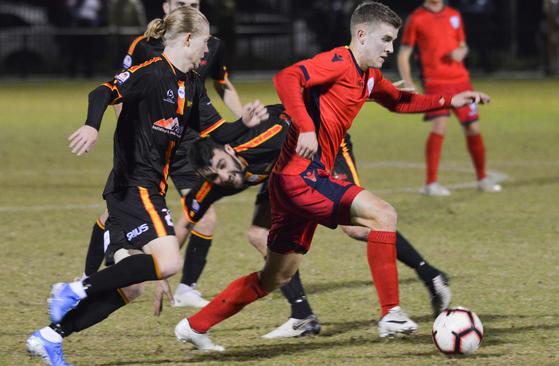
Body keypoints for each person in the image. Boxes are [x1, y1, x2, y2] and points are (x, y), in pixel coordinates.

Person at [173, 1, 489, 350]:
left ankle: (195, 325)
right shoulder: (339, 61)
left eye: (393, 41)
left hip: (291, 183)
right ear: (361, 34)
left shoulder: (368, 77)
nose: (390, 48)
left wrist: (450, 100)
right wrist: (306, 128)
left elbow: (399, 101)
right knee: (382, 214)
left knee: (275, 276)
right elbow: (287, 77)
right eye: (385, 40)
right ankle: (391, 313)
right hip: (301, 176)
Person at [26, 8, 268, 366]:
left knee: (129, 286)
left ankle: (48, 337)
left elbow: (215, 134)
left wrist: (244, 123)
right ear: (187, 39)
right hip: (134, 185)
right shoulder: (152, 72)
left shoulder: (193, 83)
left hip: (142, 189)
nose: (208, 49)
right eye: (204, 41)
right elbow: (102, 91)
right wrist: (92, 126)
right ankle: (73, 289)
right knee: (168, 260)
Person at [174, 115, 451, 340]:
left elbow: (307, 115)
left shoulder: (263, 138)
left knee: (357, 226)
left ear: (230, 150)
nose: (224, 176)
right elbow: (186, 222)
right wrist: (162, 271)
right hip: (284, 176)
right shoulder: (211, 187)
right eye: (214, 175)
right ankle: (302, 316)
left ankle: (430, 277)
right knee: (259, 235)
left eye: (223, 165)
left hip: (325, 146)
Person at [80, 0, 244, 309]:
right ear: (167, 6)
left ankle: (185, 286)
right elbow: (112, 92)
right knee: (119, 218)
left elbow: (221, 91)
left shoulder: (206, 49)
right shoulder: (146, 50)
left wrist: (249, 123)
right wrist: (126, 132)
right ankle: (85, 280)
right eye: (183, 3)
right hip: (144, 157)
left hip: (185, 149)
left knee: (203, 217)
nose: (190, 7)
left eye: (194, 3)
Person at [397, 0, 500, 196]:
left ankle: (482, 179)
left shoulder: (454, 15)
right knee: (439, 126)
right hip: (435, 82)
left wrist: (461, 52)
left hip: (461, 81)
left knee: (472, 127)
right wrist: (408, 82)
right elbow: (404, 54)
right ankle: (430, 184)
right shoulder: (417, 18)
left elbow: (462, 45)